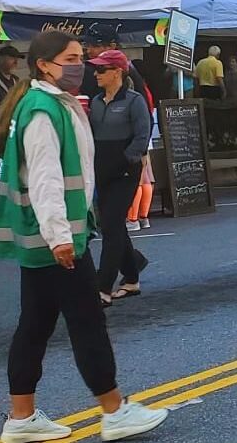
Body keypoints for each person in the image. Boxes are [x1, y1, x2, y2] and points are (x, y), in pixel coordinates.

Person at [0, 31, 169, 443]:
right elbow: (46, 178)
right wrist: (59, 237)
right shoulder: (42, 110)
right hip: (57, 238)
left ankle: (22, 416)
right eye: (70, 58)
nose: (79, 67)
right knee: (87, 322)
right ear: (44, 65)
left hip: (44, 238)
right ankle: (114, 409)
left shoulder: (42, 103)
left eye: (80, 59)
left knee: (35, 324)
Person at [85, 50, 151, 306]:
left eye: (102, 70)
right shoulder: (97, 101)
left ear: (117, 72)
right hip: (101, 168)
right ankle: (132, 273)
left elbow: (142, 136)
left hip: (124, 171)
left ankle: (103, 286)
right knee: (111, 224)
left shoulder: (134, 101)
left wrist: (126, 160)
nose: (96, 74)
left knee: (112, 225)